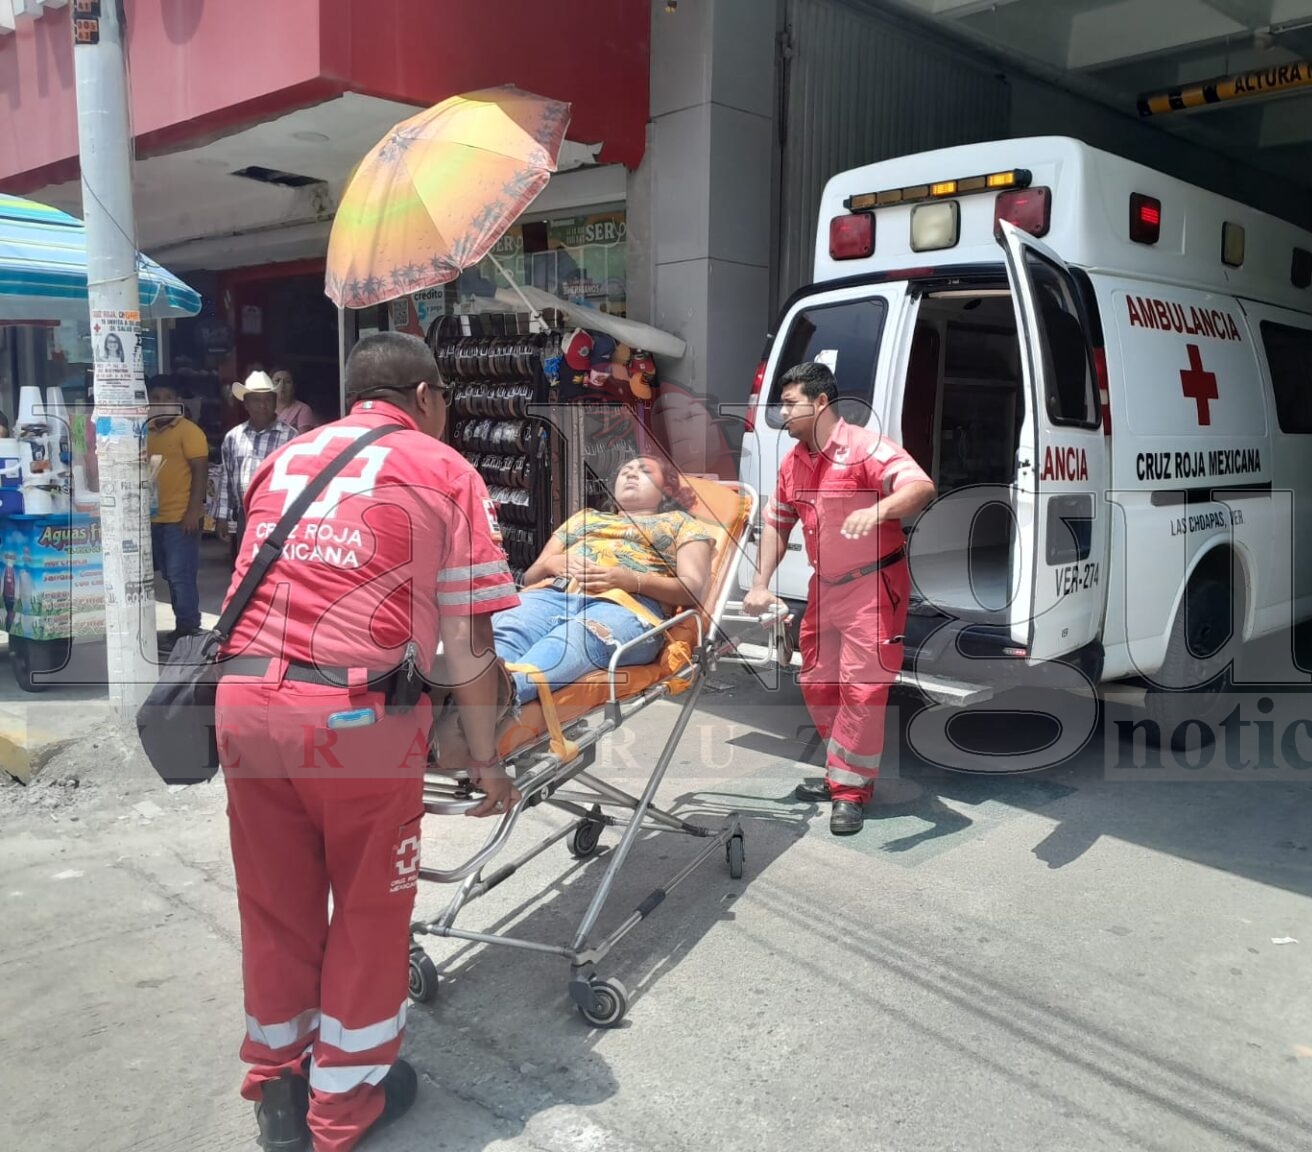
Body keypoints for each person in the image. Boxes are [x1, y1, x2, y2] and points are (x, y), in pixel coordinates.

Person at [214, 332, 521, 1152]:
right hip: (351, 721)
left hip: (244, 701)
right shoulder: (442, 467)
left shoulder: (284, 456)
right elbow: (470, 638)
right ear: (424, 397)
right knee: (367, 912)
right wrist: (486, 757)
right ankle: (344, 1107)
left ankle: (278, 1084)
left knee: (274, 905)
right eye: (446, 401)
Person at [742, 362, 936, 836]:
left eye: (789, 404)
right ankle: (841, 772)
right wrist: (760, 582)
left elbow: (920, 487)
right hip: (824, 587)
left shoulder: (866, 448)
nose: (782, 414)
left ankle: (850, 791)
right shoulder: (794, 461)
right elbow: (776, 521)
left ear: (821, 402)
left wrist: (878, 509)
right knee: (816, 683)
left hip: (873, 586)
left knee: (863, 691)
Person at [492, 455, 714, 704]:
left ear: (668, 490)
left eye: (644, 471)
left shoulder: (682, 523)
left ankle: (503, 693)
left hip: (627, 606)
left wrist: (631, 580)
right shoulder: (584, 518)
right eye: (625, 470)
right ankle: (474, 692)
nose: (630, 474)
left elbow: (693, 588)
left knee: (575, 639)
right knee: (509, 629)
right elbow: (532, 576)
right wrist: (551, 564)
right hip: (553, 593)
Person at [146, 379, 209, 640]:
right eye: (156, 398)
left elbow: (200, 471)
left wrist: (193, 512)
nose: (162, 403)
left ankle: (189, 627)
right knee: (170, 577)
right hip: (152, 518)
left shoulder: (189, 431)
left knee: (180, 575)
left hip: (181, 518)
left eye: (167, 397)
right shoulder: (143, 431)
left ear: (178, 401)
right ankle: (181, 626)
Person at [215, 371, 298, 557]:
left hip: (278, 513)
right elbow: (226, 479)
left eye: (268, 400)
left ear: (275, 402)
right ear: (246, 404)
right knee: (246, 565)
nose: (262, 405)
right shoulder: (233, 437)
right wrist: (222, 516)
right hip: (246, 513)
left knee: (275, 564)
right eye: (256, 400)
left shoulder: (291, 437)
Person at [274, 368, 321, 434]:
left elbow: (303, 440)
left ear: (294, 387)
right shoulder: (264, 408)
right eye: (277, 381)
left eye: (287, 381)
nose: (282, 385)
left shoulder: (303, 409)